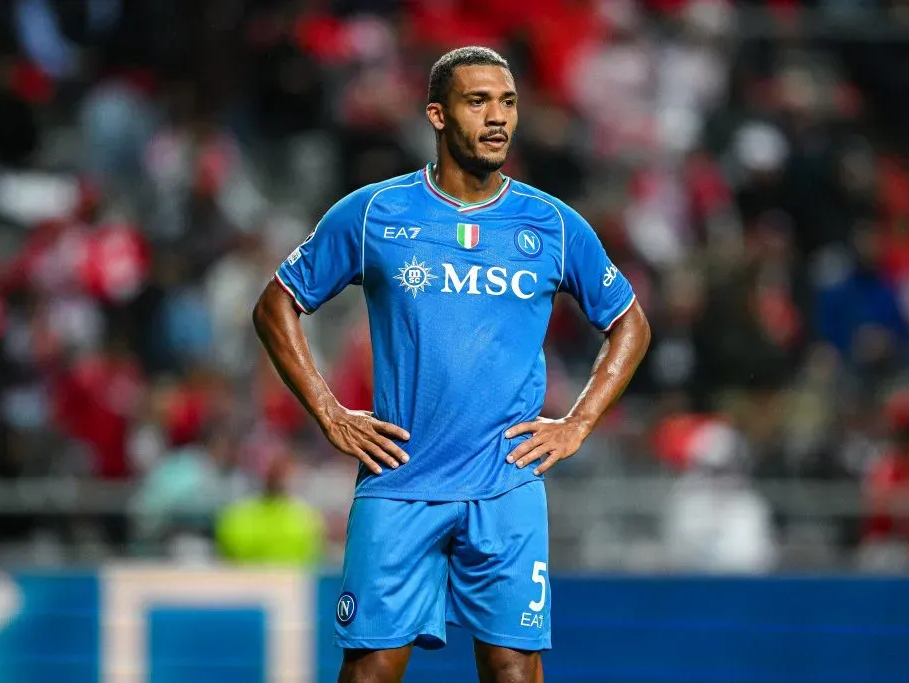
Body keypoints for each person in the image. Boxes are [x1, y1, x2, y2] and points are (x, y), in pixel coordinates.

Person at [253, 46, 650, 683]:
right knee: (370, 671)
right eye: (478, 101)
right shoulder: (374, 214)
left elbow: (629, 322)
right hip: (401, 478)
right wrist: (328, 412)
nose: (498, 118)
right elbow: (276, 305)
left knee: (514, 669)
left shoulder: (552, 223)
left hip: (506, 482)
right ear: (437, 114)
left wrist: (577, 422)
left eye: (508, 102)